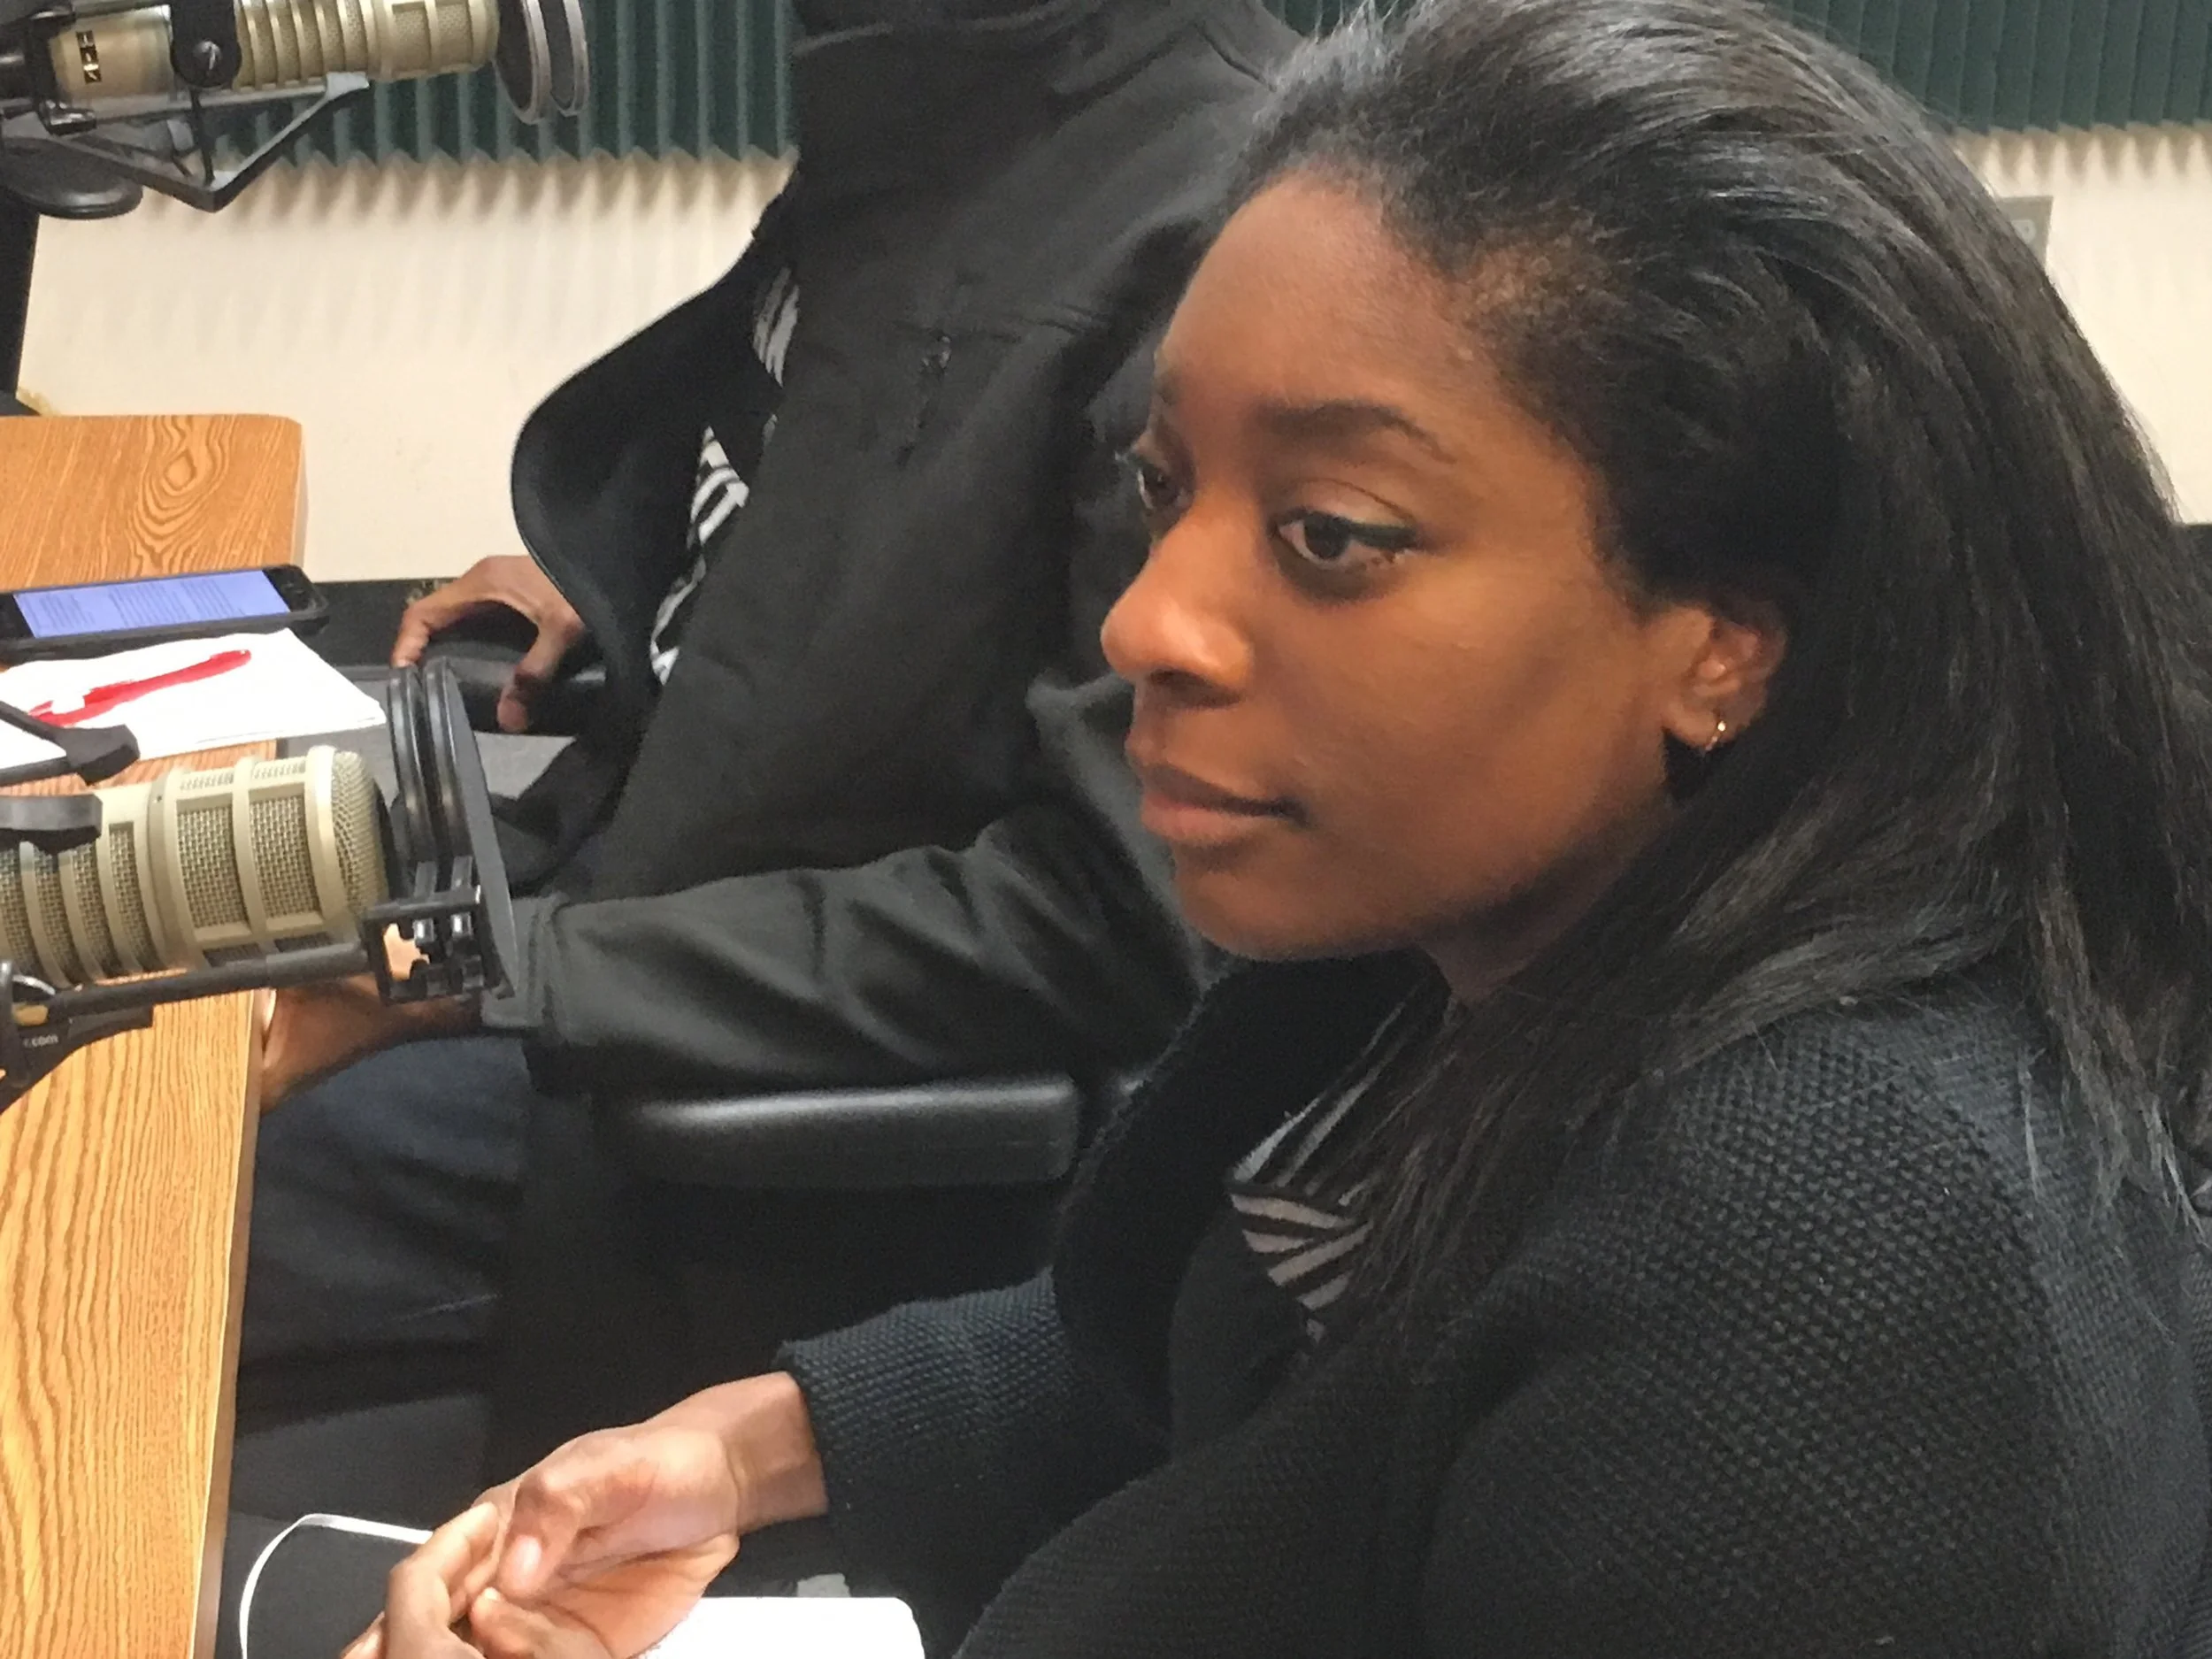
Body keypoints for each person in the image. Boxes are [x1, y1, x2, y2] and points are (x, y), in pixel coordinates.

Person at [288, 0, 2212, 1650]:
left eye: (1331, 537)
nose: (1148, 622)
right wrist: (740, 1448)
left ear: (1724, 644)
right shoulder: (1462, 940)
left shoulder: (1825, 1286)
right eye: (1166, 489)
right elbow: (1193, 1354)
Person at [235, 0, 1296, 1403]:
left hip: (693, 1087)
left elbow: (1109, 921)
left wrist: (479, 976)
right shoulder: (933, 90)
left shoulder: (1207, 217)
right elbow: (891, 500)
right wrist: (666, 568)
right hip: (604, 876)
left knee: (94, 1189)